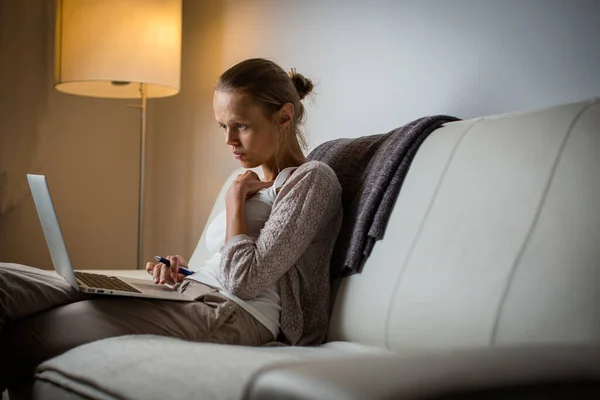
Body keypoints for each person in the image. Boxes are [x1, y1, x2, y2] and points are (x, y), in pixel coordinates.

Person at [0, 58, 343, 392]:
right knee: (7, 284)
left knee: (32, 335)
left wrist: (235, 200)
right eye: (223, 126)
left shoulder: (311, 179)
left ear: (284, 116)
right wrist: (183, 272)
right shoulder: (248, 181)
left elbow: (243, 281)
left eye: (242, 126)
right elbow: (229, 263)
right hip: (192, 293)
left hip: (235, 313)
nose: (229, 140)